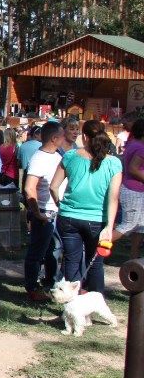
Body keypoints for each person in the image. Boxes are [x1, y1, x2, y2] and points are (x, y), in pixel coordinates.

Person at [50, 119, 122, 293]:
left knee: (71, 260)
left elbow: (53, 186)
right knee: (96, 263)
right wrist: (109, 227)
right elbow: (113, 198)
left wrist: (61, 205)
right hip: (97, 219)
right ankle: (95, 303)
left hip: (68, 217)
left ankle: (71, 303)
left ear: (84, 136)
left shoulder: (70, 156)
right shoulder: (113, 163)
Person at [23, 121, 64, 301]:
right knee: (37, 253)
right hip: (44, 212)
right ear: (54, 138)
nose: (64, 138)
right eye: (62, 135)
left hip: (54, 212)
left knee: (52, 251)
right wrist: (37, 213)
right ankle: (32, 288)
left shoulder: (57, 155)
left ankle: (50, 283)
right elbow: (29, 188)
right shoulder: (39, 159)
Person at [113, 119, 144, 260]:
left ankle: (134, 260)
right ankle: (97, 245)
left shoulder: (133, 144)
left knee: (141, 226)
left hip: (134, 190)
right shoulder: (140, 148)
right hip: (134, 190)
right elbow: (133, 168)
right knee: (128, 225)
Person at [18, 125, 43, 191]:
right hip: (38, 175)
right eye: (41, 134)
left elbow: (19, 162)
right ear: (36, 135)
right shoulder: (42, 146)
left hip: (26, 174)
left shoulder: (23, 146)